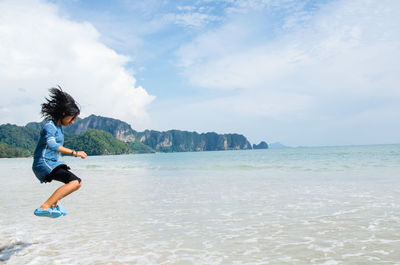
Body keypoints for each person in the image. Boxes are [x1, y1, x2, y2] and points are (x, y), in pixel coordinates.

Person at [32, 86, 87, 218]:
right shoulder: (49, 126)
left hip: (51, 162)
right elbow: (51, 144)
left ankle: (53, 204)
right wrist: (75, 152)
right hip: (44, 163)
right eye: (72, 118)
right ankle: (45, 206)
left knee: (75, 182)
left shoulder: (58, 127)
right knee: (75, 182)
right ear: (63, 113)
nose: (72, 122)